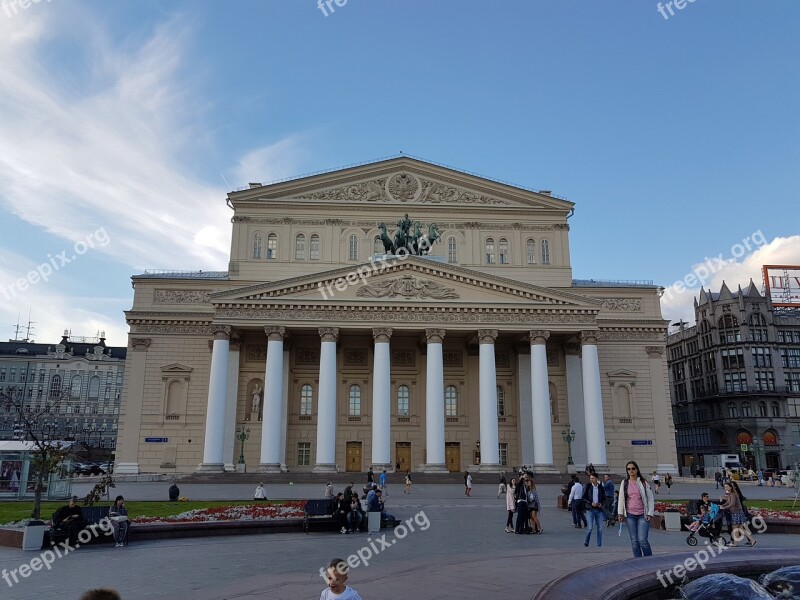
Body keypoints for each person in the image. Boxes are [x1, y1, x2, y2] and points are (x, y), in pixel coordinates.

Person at [618, 460, 655, 558]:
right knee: (634, 541)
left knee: (642, 540)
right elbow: (621, 498)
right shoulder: (624, 483)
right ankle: (638, 562)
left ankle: (650, 561)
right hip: (630, 515)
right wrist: (620, 513)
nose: (631, 471)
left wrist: (650, 513)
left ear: (637, 469)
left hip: (642, 515)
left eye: (633, 468)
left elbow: (650, 498)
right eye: (628, 469)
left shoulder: (643, 482)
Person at [719, 482, 756, 547]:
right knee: (740, 529)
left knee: (735, 528)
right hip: (736, 512)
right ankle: (752, 540)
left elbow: (732, 504)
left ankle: (736, 543)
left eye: (727, 487)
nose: (726, 488)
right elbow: (728, 502)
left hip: (737, 513)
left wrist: (724, 508)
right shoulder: (730, 494)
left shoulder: (733, 494)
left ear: (731, 487)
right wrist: (722, 505)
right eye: (725, 487)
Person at [582, 473, 606, 547]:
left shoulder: (601, 487)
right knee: (590, 528)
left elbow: (604, 498)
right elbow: (584, 497)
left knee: (600, 529)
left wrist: (601, 503)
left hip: (599, 510)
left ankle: (599, 544)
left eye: (593, 478)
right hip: (590, 509)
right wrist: (590, 503)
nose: (591, 480)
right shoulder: (587, 486)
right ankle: (586, 542)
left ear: (597, 479)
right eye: (590, 478)